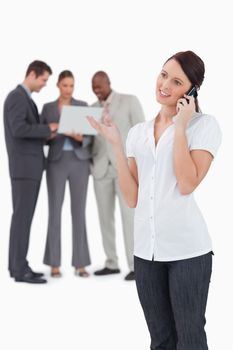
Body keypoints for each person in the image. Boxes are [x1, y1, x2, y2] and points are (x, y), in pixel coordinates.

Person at [88, 51, 222, 349]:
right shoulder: (138, 133)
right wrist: (115, 144)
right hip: (146, 253)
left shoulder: (204, 127)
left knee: (189, 338)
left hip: (188, 253)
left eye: (177, 81)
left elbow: (187, 183)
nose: (165, 85)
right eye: (163, 74)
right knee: (160, 340)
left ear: (191, 90)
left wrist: (181, 126)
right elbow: (132, 197)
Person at [4, 60, 58, 284]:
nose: (45, 84)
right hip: (25, 169)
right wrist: (47, 128)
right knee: (22, 219)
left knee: (22, 219)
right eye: (44, 79)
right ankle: (19, 268)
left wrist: (45, 136)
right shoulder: (17, 97)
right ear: (33, 75)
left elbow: (25, 133)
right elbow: (18, 129)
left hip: (29, 167)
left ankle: (17, 265)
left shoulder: (24, 99)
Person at [91, 71, 145, 281]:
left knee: (129, 217)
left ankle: (134, 265)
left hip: (125, 168)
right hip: (100, 170)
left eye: (99, 86)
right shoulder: (90, 109)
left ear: (108, 83)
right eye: (93, 87)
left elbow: (141, 133)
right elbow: (89, 140)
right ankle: (111, 263)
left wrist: (137, 165)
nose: (96, 90)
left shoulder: (129, 101)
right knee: (105, 218)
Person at [41, 70, 92, 278]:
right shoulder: (48, 108)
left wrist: (80, 138)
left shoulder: (82, 106)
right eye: (65, 85)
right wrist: (52, 132)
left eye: (71, 85)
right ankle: (54, 263)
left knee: (79, 212)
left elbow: (91, 137)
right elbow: (41, 136)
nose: (68, 89)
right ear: (58, 86)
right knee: (54, 211)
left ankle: (80, 263)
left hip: (79, 162)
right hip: (56, 162)